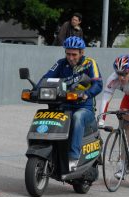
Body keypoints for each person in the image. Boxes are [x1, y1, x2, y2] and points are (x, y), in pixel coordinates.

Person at [38, 36, 103, 171]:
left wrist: (87, 94)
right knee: (47, 116)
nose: (71, 57)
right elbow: (46, 77)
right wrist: (36, 89)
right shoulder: (61, 63)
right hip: (63, 106)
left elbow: (98, 84)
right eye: (68, 54)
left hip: (84, 108)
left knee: (77, 117)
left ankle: (74, 157)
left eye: (74, 54)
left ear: (82, 52)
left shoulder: (90, 64)